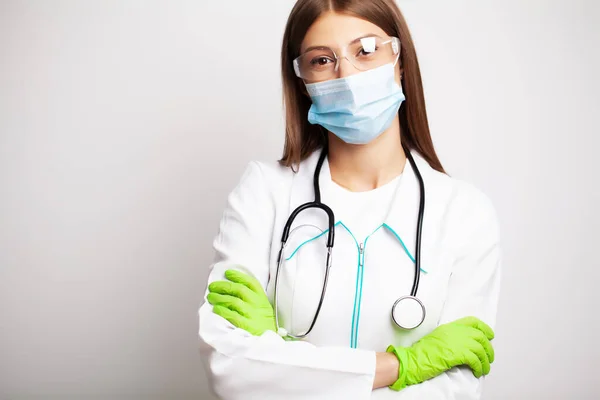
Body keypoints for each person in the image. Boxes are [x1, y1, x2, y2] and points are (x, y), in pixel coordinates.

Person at [197, 0, 502, 398]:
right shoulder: (264, 193)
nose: (347, 74)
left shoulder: (465, 213)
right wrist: (399, 366)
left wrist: (281, 357)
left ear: (401, 60)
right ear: (302, 81)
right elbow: (232, 371)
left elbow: (453, 391)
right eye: (322, 61)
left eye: (366, 51)